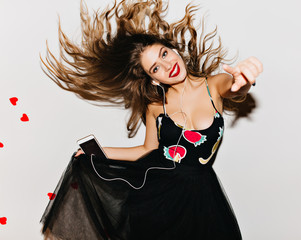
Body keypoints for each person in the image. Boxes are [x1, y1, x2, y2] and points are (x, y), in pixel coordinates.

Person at [40, 0, 263, 239]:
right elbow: (146, 149)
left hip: (203, 200)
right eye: (156, 68)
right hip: (158, 198)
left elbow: (235, 87)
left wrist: (244, 81)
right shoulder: (156, 106)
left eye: (164, 53)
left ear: (174, 50)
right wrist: (99, 152)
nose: (168, 65)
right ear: (153, 79)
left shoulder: (213, 85)